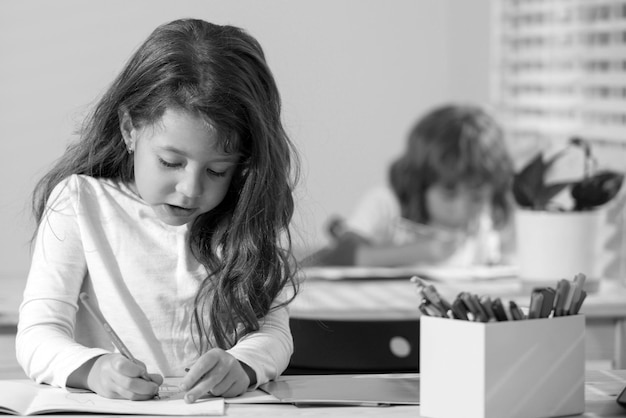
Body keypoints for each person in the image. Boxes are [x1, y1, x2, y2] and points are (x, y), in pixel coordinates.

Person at [16, 18, 299, 402]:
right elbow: (37, 335)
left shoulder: (248, 216)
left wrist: (243, 365)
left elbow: (274, 334)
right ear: (129, 128)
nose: (190, 190)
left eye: (217, 170)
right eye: (170, 162)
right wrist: (94, 370)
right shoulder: (80, 203)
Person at [308, 104, 514, 267]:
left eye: (477, 197)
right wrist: (422, 252)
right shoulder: (385, 204)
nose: (461, 209)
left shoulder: (481, 225)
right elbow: (342, 256)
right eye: (448, 194)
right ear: (422, 181)